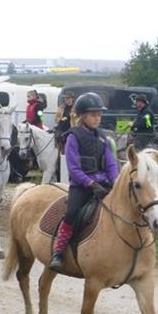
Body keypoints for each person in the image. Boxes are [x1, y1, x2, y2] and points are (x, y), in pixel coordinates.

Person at [49, 92, 119, 272]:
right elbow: (74, 168)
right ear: (83, 116)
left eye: (99, 114)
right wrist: (91, 184)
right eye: (94, 115)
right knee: (72, 213)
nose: (98, 118)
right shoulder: (73, 137)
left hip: (104, 184)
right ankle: (58, 251)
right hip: (82, 186)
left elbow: (111, 163)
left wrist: (116, 182)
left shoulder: (103, 137)